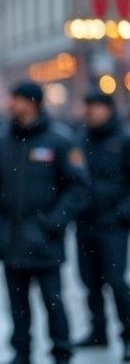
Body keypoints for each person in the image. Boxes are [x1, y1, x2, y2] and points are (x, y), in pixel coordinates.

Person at [0, 82, 90, 364]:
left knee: (53, 300)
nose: (11, 105)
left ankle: (61, 351)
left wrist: (54, 222)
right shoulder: (0, 141)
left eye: (17, 100)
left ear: (32, 103)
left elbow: (78, 187)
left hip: (44, 238)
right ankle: (21, 351)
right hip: (11, 235)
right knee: (17, 303)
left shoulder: (59, 140)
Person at [75, 91, 130, 361]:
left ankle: (128, 335)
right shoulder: (81, 140)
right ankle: (98, 331)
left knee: (117, 282)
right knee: (90, 281)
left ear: (108, 109)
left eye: (96, 107)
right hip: (86, 223)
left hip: (113, 225)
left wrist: (123, 213)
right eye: (88, 107)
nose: (91, 112)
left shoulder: (123, 140)